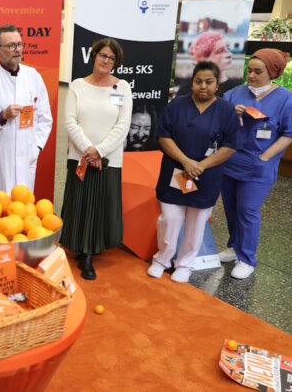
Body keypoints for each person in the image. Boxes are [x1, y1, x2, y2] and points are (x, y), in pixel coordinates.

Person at [147, 61, 239, 283]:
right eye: (198, 81)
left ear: (217, 84)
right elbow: (163, 136)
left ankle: (185, 264)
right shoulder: (177, 105)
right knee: (169, 219)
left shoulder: (226, 110)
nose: (203, 86)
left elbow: (230, 146)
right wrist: (186, 162)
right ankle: (161, 259)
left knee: (196, 223)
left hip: (206, 177)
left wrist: (201, 165)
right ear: (192, 83)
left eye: (209, 82)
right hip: (175, 173)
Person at [60, 38, 132, 280]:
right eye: (103, 55)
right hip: (79, 156)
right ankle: (83, 250)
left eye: (112, 58)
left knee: (101, 204)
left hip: (108, 158)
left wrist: (99, 151)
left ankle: (93, 248)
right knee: (79, 202)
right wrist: (88, 150)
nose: (106, 61)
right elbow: (70, 121)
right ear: (94, 55)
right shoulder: (77, 86)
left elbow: (123, 125)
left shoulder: (122, 88)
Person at [219, 48, 292, 279]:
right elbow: (219, 124)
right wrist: (231, 113)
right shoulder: (234, 94)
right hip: (231, 161)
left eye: (257, 71)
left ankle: (247, 258)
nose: (251, 76)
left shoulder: (285, 99)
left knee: (248, 209)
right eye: (249, 70)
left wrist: (265, 156)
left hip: (259, 166)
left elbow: (288, 134)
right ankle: (234, 247)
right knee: (230, 208)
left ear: (271, 72)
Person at [0, 24, 53, 195]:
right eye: (11, 46)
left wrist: (35, 147)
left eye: (19, 44)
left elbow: (45, 118)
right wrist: (1, 116)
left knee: (22, 210)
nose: (17, 50)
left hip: (26, 155)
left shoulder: (34, 76)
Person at [176, 31, 242, 97]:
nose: (230, 54)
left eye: (228, 49)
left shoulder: (238, 90)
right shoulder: (186, 90)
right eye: (220, 51)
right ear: (203, 58)